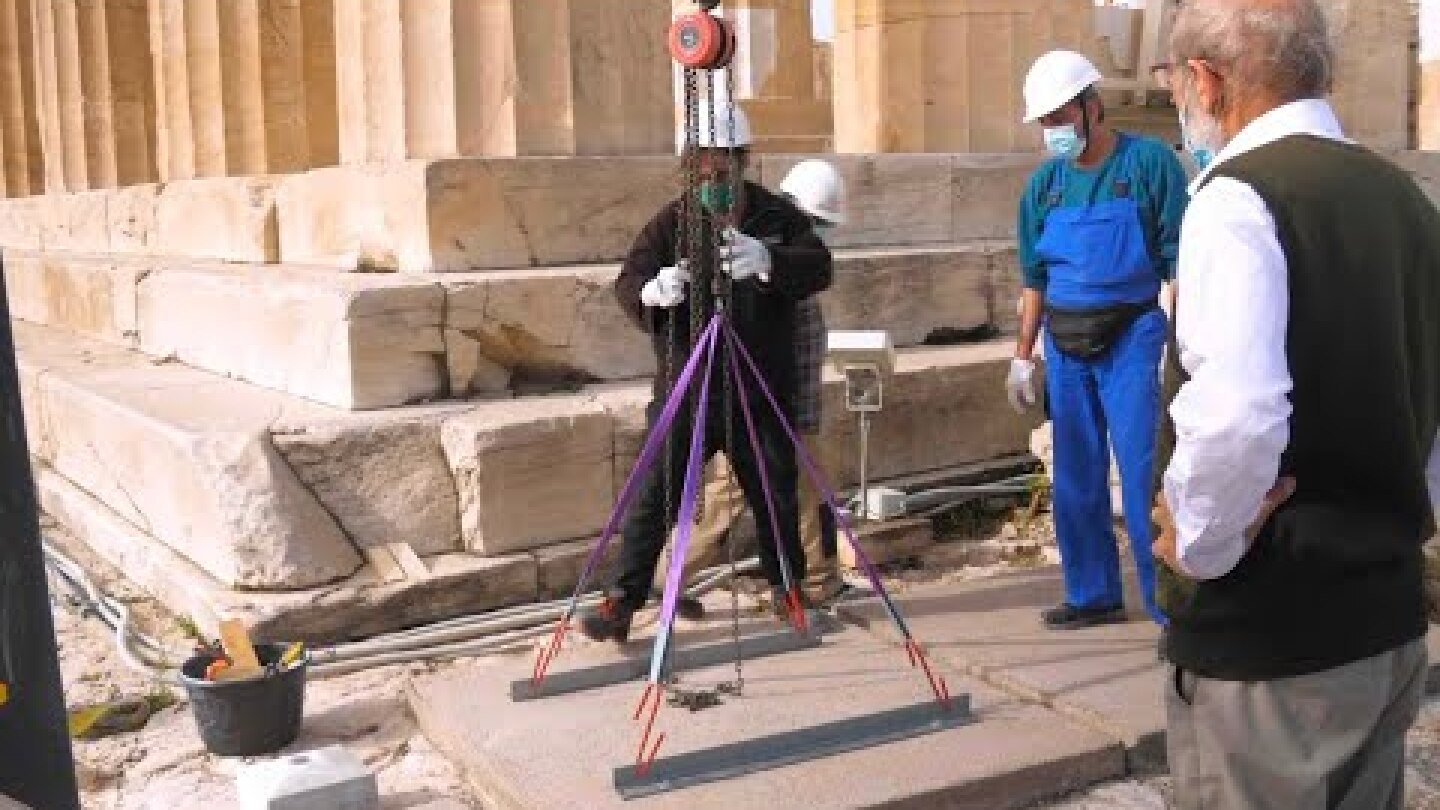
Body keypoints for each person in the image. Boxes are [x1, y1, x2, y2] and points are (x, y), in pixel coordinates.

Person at [1151, 0, 1440, 806]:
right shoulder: (1408, 201)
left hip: (1271, 644)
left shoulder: (1237, 198)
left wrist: (1199, 544)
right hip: (1381, 623)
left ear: (1206, 81)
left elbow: (1237, 416)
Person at [578, 101, 833, 642]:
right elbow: (628, 282)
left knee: (775, 494)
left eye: (721, 171)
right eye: (700, 171)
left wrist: (770, 261)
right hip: (688, 389)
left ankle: (787, 590)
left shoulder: (776, 217)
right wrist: (653, 293)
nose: (711, 183)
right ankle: (622, 600)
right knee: (654, 494)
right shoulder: (670, 223)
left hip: (758, 389)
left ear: (743, 162)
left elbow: (818, 267)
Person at [1006, 49, 1189, 628]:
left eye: (1060, 117)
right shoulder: (1044, 187)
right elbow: (1034, 279)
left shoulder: (1149, 165)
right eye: (1045, 122)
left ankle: (1170, 604)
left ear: (1092, 106)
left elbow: (1180, 260)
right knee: (1075, 476)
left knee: (1143, 472)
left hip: (1133, 337)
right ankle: (1091, 594)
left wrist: (1185, 341)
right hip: (1064, 344)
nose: (1052, 130)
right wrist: (1022, 356)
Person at [654, 158, 849, 616]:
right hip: (771, 411)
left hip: (774, 410)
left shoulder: (782, 263)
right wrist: (796, 422)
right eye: (815, 222)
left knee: (747, 498)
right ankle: (665, 581)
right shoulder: (771, 275)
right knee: (751, 499)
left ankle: (667, 580)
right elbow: (789, 358)